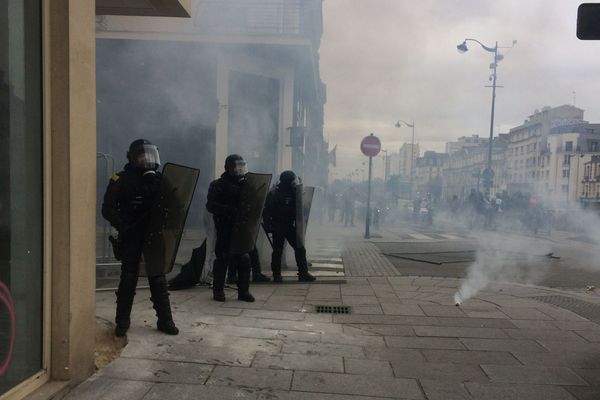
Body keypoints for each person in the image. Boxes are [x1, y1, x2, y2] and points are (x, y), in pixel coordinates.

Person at [102, 139, 178, 337]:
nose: (147, 159)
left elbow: (176, 204)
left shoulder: (161, 180)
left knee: (158, 277)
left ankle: (165, 320)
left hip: (154, 235)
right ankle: (122, 321)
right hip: (131, 235)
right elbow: (107, 209)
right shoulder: (121, 179)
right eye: (142, 156)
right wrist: (123, 226)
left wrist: (166, 222)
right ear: (133, 157)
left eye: (151, 156)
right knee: (128, 277)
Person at [206, 154, 255, 302]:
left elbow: (254, 203)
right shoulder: (217, 185)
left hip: (242, 228)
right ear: (228, 168)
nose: (240, 169)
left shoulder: (247, 185)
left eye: (242, 166)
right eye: (236, 166)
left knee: (244, 258)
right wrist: (229, 210)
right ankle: (218, 290)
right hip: (224, 227)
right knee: (222, 258)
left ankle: (243, 291)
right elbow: (211, 205)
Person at [263, 170, 316, 283]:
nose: (293, 183)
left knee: (300, 248)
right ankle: (277, 275)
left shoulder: (294, 192)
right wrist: (268, 226)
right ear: (287, 181)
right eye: (292, 181)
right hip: (278, 225)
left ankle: (303, 273)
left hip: (289, 225)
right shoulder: (274, 193)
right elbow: (266, 211)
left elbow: (300, 207)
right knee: (278, 250)